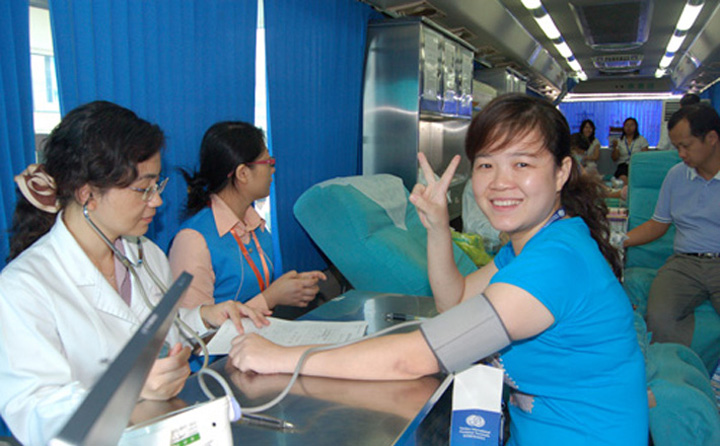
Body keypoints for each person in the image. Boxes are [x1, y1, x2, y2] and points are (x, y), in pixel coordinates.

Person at [228, 94, 648, 445]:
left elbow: (413, 360)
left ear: (561, 172)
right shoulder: (539, 243)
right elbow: (457, 301)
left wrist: (284, 358)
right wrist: (435, 227)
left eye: (522, 164)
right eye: (486, 164)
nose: (500, 182)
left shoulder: (554, 263)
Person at [0, 101, 266, 444]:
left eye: (158, 185)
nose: (156, 201)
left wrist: (205, 318)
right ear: (87, 194)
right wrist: (131, 388)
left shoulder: (146, 255)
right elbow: (38, 415)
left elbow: (158, 336)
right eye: (143, 189)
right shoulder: (22, 289)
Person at [168, 121, 326, 313]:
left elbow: (254, 292)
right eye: (269, 163)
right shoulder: (192, 241)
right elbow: (193, 332)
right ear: (243, 173)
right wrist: (269, 298)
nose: (273, 170)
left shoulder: (255, 224)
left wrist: (291, 288)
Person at [624, 102, 720, 348]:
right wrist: (617, 240)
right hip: (685, 263)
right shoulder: (676, 175)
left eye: (686, 146)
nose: (680, 154)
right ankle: (676, 373)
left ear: (711, 138)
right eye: (677, 147)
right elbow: (657, 225)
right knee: (659, 316)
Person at [611, 117, 649, 184]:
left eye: (631, 125)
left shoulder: (641, 140)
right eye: (627, 125)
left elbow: (645, 157)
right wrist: (615, 147)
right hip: (623, 165)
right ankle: (626, 192)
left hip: (637, 164)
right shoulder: (619, 140)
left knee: (636, 178)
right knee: (623, 178)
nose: (629, 127)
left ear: (636, 127)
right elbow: (614, 158)